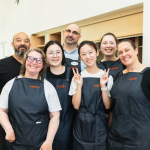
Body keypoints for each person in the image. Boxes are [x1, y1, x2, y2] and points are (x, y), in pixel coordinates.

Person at [0, 48, 61, 150]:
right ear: (25, 62)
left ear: (42, 65)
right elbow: (2, 110)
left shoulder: (48, 87)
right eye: (31, 58)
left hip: (39, 144)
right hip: (14, 142)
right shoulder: (10, 84)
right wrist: (9, 130)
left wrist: (49, 141)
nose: (34, 62)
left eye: (38, 60)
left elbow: (55, 116)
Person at [69, 41, 113, 150]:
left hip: (100, 123)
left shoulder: (107, 76)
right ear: (80, 57)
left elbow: (108, 106)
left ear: (97, 53)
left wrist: (103, 86)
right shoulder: (77, 77)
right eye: (83, 54)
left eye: (90, 52)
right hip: (81, 125)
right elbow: (75, 105)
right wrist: (79, 85)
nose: (87, 57)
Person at [107, 39, 150, 150]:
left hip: (140, 138)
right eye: (120, 52)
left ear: (136, 51)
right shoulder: (118, 76)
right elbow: (113, 108)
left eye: (127, 50)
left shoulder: (148, 74)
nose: (124, 54)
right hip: (115, 137)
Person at [0, 32, 30, 150]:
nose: (22, 43)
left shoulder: (34, 66)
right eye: (18, 40)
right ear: (12, 44)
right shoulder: (2, 65)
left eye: (26, 41)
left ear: (30, 45)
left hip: (28, 121)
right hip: (5, 121)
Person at [43, 40, 74, 150]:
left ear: (63, 54)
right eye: (50, 53)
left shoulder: (72, 74)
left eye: (58, 52)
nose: (55, 56)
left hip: (66, 125)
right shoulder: (41, 75)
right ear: (45, 56)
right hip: (44, 126)